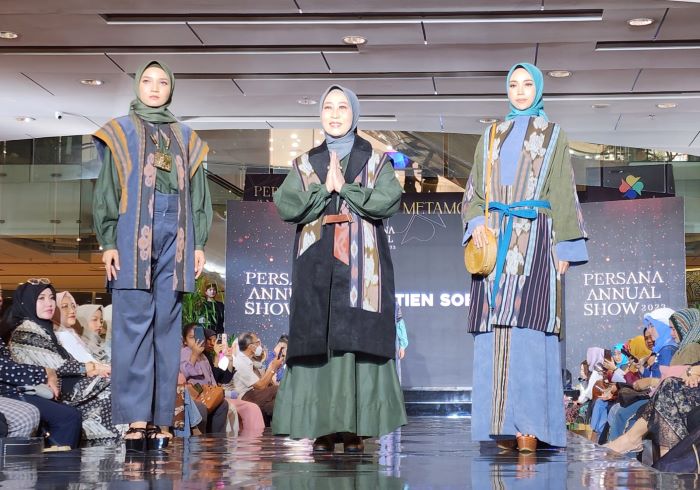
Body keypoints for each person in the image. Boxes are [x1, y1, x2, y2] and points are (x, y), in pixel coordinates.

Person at [271, 85, 407, 453]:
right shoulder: (304, 163)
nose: (334, 114)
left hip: (363, 265)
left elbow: (388, 200)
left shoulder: (376, 161)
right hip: (315, 262)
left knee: (357, 339)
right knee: (319, 338)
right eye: (328, 107)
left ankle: (355, 426)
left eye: (342, 107)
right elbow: (286, 205)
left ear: (355, 114)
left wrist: (345, 189)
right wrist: (321, 191)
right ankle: (322, 426)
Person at [462, 63, 588, 451]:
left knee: (530, 330)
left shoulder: (553, 135)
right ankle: (500, 425)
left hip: (536, 240)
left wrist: (566, 247)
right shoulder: (490, 135)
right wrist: (475, 223)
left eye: (527, 84)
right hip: (494, 240)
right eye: (514, 84)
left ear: (539, 89)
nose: (519, 91)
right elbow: (474, 192)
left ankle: (530, 427)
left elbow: (563, 190)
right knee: (493, 332)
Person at [92, 59, 212, 450]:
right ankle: (136, 419)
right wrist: (107, 240)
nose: (155, 87)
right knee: (133, 325)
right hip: (131, 233)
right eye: (147, 80)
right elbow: (107, 188)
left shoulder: (187, 138)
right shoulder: (120, 131)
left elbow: (199, 194)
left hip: (177, 233)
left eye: (162, 82)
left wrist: (199, 243)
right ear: (137, 86)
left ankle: (162, 420)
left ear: (171, 88)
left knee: (167, 327)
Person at [8, 280, 116, 445]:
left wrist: (92, 369)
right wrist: (90, 368)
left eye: (51, 298)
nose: (49, 303)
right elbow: (57, 365)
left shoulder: (44, 329)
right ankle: (108, 446)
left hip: (60, 383)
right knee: (111, 387)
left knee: (113, 383)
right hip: (45, 388)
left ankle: (115, 445)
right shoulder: (25, 331)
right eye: (41, 298)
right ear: (27, 302)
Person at [0, 335, 81, 448]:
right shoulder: (25, 331)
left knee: (70, 413)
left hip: (19, 384)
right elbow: (4, 369)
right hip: (9, 389)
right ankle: (56, 458)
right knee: (67, 417)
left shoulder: (56, 332)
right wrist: (44, 372)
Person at [605, 366, 700, 456]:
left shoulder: (664, 355)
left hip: (659, 394)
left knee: (669, 386)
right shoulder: (649, 363)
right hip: (657, 394)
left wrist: (617, 369)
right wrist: (692, 372)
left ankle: (632, 440)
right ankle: (665, 460)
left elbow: (645, 379)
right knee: (615, 409)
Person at [202, 329, 265, 436]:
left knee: (253, 407)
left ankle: (253, 439)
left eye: (215, 340)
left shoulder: (210, 357)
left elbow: (224, 378)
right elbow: (219, 381)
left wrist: (230, 359)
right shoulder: (205, 357)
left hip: (220, 395)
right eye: (210, 340)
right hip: (217, 395)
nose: (212, 343)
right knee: (239, 408)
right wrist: (218, 356)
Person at [180, 324, 231, 434]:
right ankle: (200, 439)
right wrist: (194, 355)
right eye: (191, 337)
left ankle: (217, 439)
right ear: (185, 341)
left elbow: (211, 376)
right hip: (193, 396)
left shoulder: (203, 356)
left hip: (206, 394)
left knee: (223, 405)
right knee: (201, 407)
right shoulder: (183, 353)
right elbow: (184, 374)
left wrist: (216, 392)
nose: (196, 340)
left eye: (199, 336)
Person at [233, 333, 282, 423]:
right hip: (247, 395)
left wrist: (272, 367)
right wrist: (273, 368)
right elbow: (261, 386)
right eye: (257, 343)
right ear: (251, 347)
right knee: (278, 389)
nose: (260, 345)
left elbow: (263, 381)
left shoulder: (250, 360)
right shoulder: (241, 362)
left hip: (256, 393)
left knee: (273, 405)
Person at [53, 291, 97, 363]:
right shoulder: (62, 335)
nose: (72, 311)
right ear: (54, 310)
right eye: (65, 306)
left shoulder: (70, 333)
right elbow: (87, 363)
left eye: (73, 306)